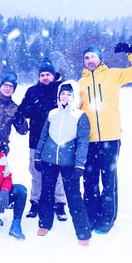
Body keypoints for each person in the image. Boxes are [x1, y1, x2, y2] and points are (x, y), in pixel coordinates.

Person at [78, 42, 132, 234]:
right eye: (86, 57)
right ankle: (91, 216)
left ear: (100, 58)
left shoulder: (114, 75)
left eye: (93, 56)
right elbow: (77, 110)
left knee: (108, 179)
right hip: (90, 140)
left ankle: (107, 219)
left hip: (111, 137)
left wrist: (131, 52)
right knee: (90, 180)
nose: (90, 60)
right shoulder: (81, 83)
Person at [34, 80, 91, 246]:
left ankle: (83, 231)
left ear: (73, 96)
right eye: (62, 94)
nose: (65, 97)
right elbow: (43, 136)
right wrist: (38, 155)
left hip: (69, 164)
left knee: (74, 197)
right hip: (48, 160)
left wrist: (80, 164)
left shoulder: (80, 116)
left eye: (68, 94)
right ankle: (44, 224)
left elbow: (82, 142)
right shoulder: (52, 114)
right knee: (46, 193)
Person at [19, 57, 67, 221]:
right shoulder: (32, 91)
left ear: (54, 75)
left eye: (48, 74)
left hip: (58, 140)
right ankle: (35, 202)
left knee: (58, 173)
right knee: (36, 172)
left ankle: (59, 204)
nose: (45, 77)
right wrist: (32, 107)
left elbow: (71, 108)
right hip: (36, 139)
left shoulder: (61, 90)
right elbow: (23, 111)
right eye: (42, 75)